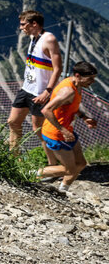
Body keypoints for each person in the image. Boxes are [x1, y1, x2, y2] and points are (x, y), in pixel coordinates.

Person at [7, 10, 62, 156]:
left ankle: (54, 162)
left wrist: (47, 91)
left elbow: (58, 68)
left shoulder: (49, 39)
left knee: (38, 129)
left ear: (34, 24)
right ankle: (14, 159)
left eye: (23, 24)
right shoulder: (33, 36)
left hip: (40, 92)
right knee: (13, 122)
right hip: (26, 88)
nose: (21, 28)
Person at [39, 61, 98, 193]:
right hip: (57, 134)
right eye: (90, 78)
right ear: (78, 75)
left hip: (66, 132)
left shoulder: (77, 85)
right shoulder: (68, 91)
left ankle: (62, 191)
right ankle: (29, 172)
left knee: (81, 164)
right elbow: (46, 110)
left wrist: (84, 118)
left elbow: (71, 107)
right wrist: (63, 130)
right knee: (69, 169)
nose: (93, 81)